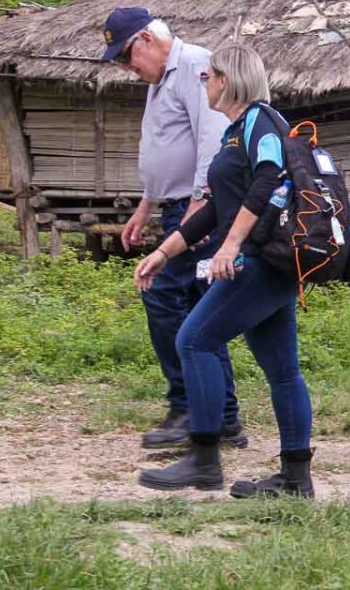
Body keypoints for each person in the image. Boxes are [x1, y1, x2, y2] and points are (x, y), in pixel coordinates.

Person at [134, 43, 315, 497]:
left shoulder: (262, 121)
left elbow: (270, 179)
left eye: (209, 75)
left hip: (261, 262)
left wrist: (230, 247)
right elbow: (215, 208)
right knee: (282, 372)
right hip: (268, 265)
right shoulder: (237, 132)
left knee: (193, 340)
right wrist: (165, 252)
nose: (204, 81)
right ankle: (295, 479)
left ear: (228, 80)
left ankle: (204, 458)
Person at [102, 7, 245, 450]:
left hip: (198, 206)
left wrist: (198, 209)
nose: (127, 67)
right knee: (196, 304)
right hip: (176, 204)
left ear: (146, 39)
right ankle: (219, 415)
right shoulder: (160, 78)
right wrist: (145, 206)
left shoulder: (195, 65)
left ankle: (192, 408)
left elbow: (211, 138)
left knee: (169, 296)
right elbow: (164, 146)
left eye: (127, 56)